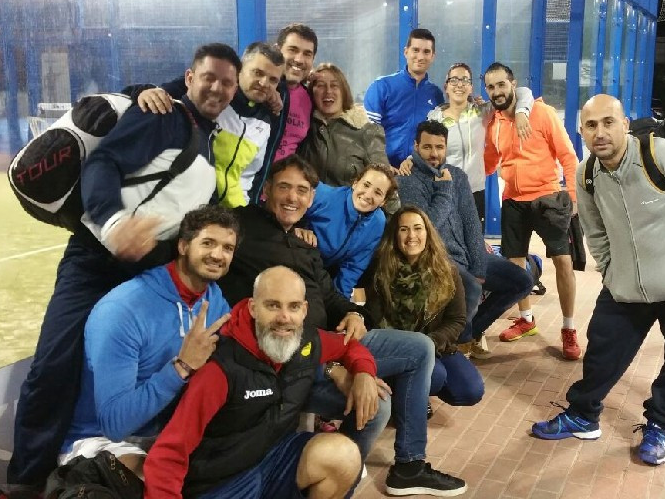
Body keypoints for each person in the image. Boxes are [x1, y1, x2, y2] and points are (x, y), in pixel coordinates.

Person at [8, 43, 241, 485]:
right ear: (189, 78)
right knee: (55, 365)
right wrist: (115, 224)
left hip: (141, 271)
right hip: (96, 259)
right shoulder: (165, 115)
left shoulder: (202, 133)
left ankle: (97, 469)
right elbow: (104, 162)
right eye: (209, 77)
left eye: (227, 83)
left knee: (130, 368)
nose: (217, 88)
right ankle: (24, 484)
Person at [219, 156, 467, 496]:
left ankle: (407, 466)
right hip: (292, 354)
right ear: (266, 190)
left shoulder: (307, 247)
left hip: (331, 340)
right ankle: (336, 472)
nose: (292, 197)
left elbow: (330, 293)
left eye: (301, 191)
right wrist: (337, 368)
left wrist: (354, 314)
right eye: (284, 187)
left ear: (310, 198)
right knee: (379, 405)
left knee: (419, 348)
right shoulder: (243, 227)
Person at [531, 94, 665, 466]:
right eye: (591, 125)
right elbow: (594, 230)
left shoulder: (661, 156)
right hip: (626, 285)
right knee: (602, 346)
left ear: (624, 125)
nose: (600, 132)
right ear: (581, 131)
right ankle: (583, 415)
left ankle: (659, 424)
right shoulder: (586, 174)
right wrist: (611, 270)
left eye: (608, 122)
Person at [143, 266, 378, 498]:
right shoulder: (220, 368)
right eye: (273, 305)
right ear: (253, 308)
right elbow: (169, 454)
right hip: (219, 484)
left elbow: (349, 346)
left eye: (293, 306)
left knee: (345, 456)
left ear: (304, 310)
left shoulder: (306, 341)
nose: (284, 317)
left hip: (273, 460)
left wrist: (364, 373)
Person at [59, 206, 237, 474]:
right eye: (208, 243)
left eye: (227, 248)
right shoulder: (123, 309)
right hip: (102, 440)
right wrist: (182, 367)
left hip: (167, 434)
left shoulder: (214, 300)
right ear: (183, 246)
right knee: (154, 476)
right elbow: (115, 424)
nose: (217, 255)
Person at [396, 121, 533, 360]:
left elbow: (471, 224)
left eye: (439, 147)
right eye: (427, 147)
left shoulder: (457, 176)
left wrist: (479, 267)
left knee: (521, 281)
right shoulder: (407, 180)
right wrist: (444, 190)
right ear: (416, 146)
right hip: (435, 259)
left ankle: (466, 335)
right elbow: (425, 229)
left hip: (466, 256)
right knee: (470, 287)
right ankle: (457, 347)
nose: (434, 153)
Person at [482, 62, 581, 361]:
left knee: (563, 262)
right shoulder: (494, 123)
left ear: (513, 84)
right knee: (516, 266)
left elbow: (568, 156)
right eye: (491, 87)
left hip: (548, 197)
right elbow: (489, 163)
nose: (497, 91)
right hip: (513, 200)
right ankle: (526, 320)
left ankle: (569, 328)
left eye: (501, 84)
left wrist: (573, 196)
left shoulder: (542, 113)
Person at [135, 42, 286, 208]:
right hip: (192, 207)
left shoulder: (269, 116)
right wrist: (142, 92)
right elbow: (170, 89)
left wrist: (251, 212)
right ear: (239, 70)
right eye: (257, 73)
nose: (264, 83)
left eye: (273, 80)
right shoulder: (213, 99)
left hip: (236, 212)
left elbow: (257, 174)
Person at [366, 206, 484, 406]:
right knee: (435, 375)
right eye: (403, 229)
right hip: (397, 348)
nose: (411, 236)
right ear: (395, 235)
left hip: (435, 344)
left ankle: (412, 392)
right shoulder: (381, 271)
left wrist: (430, 343)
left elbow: (457, 320)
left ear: (428, 233)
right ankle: (406, 399)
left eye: (418, 228)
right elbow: (375, 319)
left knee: (470, 390)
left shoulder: (447, 271)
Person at [423, 62, 534, 223]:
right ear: (446, 87)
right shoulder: (435, 118)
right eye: (454, 80)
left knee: (474, 238)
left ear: (471, 88)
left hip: (474, 193)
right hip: (443, 190)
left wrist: (522, 112)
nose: (459, 85)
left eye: (465, 80)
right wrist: (410, 160)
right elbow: (424, 152)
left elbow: (523, 92)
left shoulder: (482, 112)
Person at [302, 163, 397, 297]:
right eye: (366, 185)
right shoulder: (324, 196)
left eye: (377, 192)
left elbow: (353, 267)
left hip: (323, 273)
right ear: (355, 183)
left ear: (383, 201)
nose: (368, 195)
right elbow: (287, 208)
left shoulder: (378, 223)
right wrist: (299, 227)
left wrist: (338, 302)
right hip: (297, 258)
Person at [297, 62, 391, 187]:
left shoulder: (368, 132)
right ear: (311, 92)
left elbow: (384, 183)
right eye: (321, 85)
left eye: (334, 85)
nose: (328, 91)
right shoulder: (301, 126)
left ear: (344, 91)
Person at [363, 28, 445, 166]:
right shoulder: (381, 87)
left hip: (420, 170)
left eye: (426, 52)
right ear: (406, 52)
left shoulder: (436, 94)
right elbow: (367, 133)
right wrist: (383, 165)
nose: (420, 57)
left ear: (433, 56)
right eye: (415, 50)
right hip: (384, 170)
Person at [273, 23, 318, 160]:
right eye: (292, 50)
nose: (299, 60)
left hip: (287, 171)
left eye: (307, 54)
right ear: (277, 51)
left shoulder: (311, 98)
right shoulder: (258, 89)